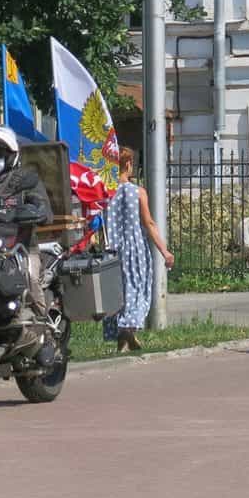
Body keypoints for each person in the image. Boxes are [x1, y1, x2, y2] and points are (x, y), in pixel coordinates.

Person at [0, 125, 52, 319]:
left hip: (21, 247)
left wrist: (35, 212)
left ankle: (44, 327)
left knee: (30, 279)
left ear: (11, 154)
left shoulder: (26, 180)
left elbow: (44, 210)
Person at [103, 147, 175, 352]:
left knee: (115, 292)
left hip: (111, 249)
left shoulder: (105, 190)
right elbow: (149, 224)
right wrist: (165, 251)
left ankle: (122, 335)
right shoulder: (138, 192)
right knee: (137, 288)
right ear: (127, 164)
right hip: (134, 250)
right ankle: (129, 327)